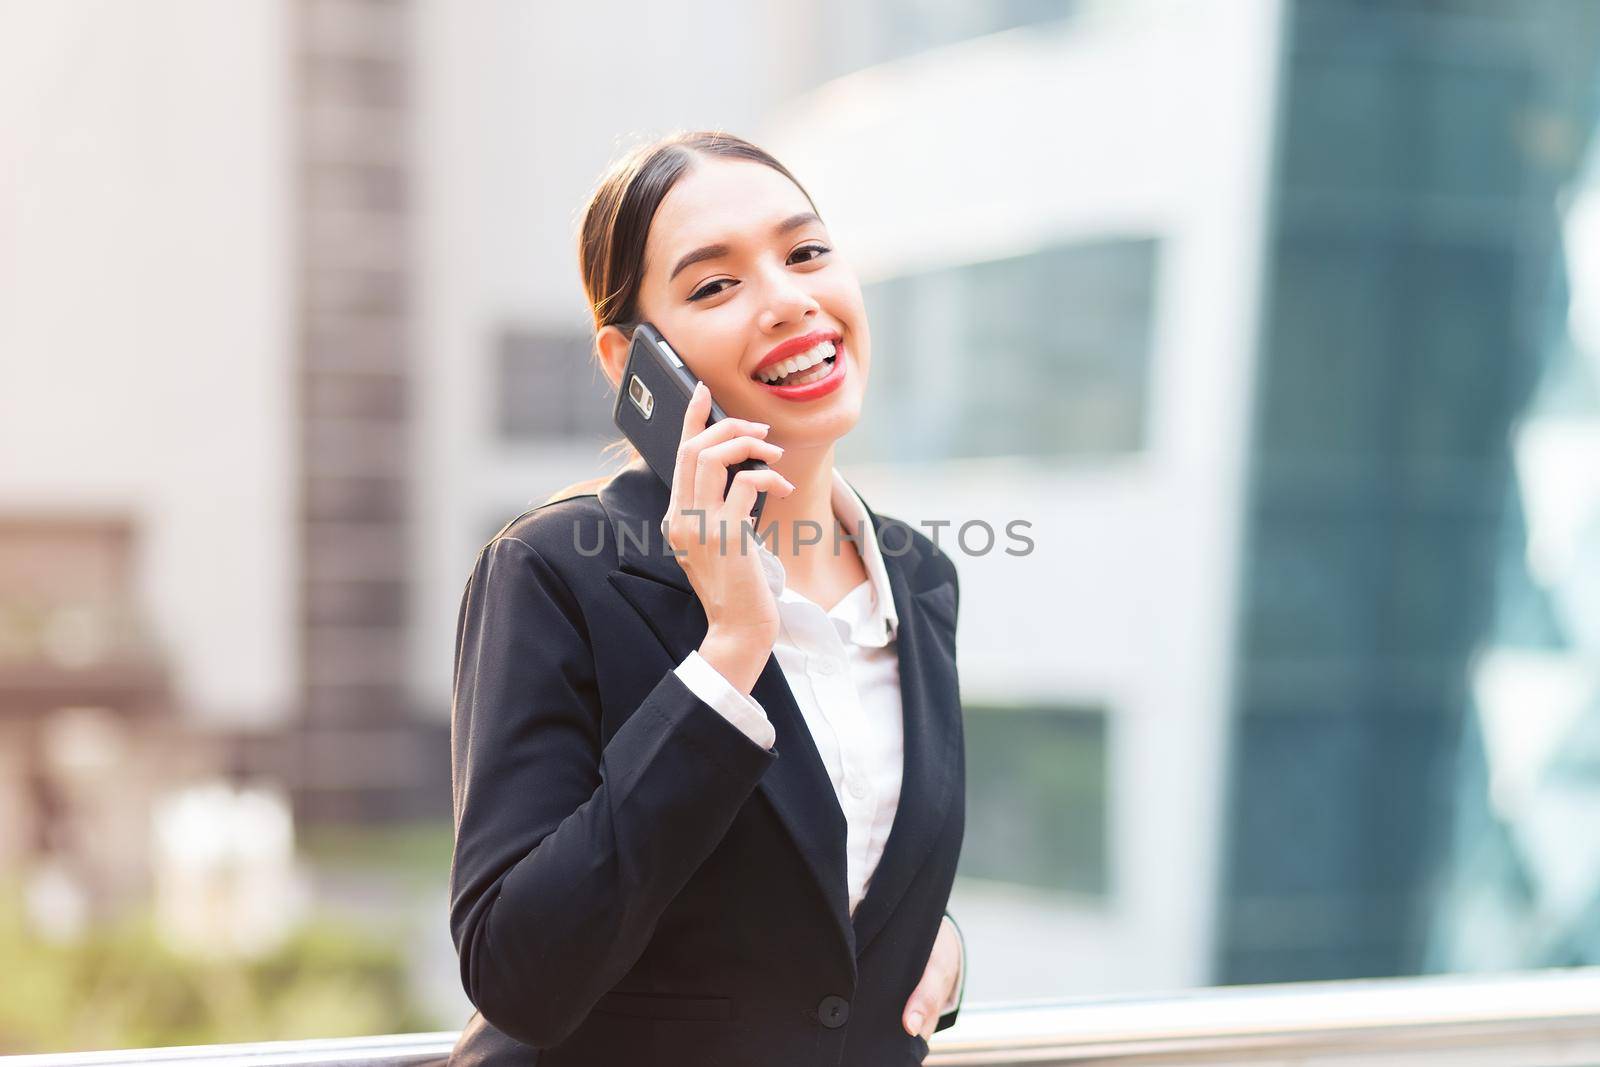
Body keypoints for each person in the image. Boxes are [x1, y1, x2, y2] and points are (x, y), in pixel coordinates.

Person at [447, 130, 966, 1066]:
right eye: (714, 285)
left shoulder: (921, 577)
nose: (788, 300)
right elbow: (516, 965)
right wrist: (730, 650)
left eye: (805, 252)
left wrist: (934, 932)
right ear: (630, 361)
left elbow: (819, 892)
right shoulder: (556, 569)